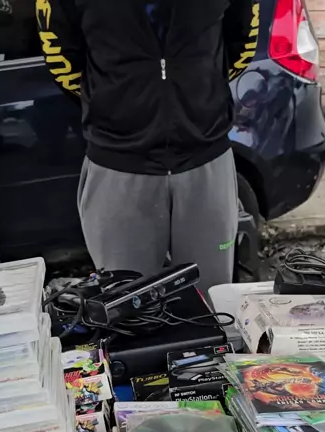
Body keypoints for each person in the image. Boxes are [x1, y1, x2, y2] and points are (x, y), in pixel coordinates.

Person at [37, 0, 259, 294]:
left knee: (212, 304)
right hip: (118, 165)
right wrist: (119, 106)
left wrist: (194, 98)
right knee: (125, 306)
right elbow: (63, 59)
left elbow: (241, 43)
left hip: (206, 159)